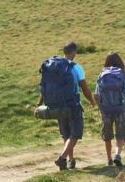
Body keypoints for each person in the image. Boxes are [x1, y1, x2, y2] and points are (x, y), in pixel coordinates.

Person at [35, 42, 96, 171]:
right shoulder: (75, 67)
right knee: (76, 133)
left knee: (66, 134)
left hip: (56, 104)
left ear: (64, 52)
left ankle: (70, 160)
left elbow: (44, 87)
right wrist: (91, 101)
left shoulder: (53, 67)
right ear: (74, 53)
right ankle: (62, 158)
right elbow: (84, 88)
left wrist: (39, 104)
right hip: (72, 104)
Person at [94, 52, 125, 167]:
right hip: (120, 109)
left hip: (106, 110)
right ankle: (117, 155)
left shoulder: (102, 74)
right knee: (120, 134)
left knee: (107, 135)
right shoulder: (123, 75)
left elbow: (96, 95)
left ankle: (109, 159)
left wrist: (101, 108)